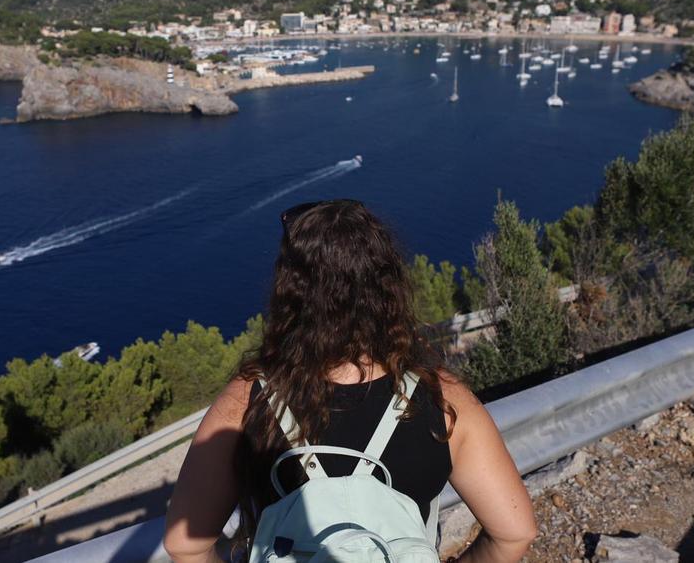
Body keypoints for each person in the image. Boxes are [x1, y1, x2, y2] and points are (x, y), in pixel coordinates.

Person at [164, 199, 537, 562]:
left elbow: (185, 545)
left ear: (290, 292)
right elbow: (514, 532)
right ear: (387, 287)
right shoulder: (441, 397)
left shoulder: (248, 399)